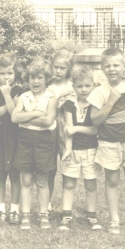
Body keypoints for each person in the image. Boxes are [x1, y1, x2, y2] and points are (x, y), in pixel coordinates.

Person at [88, 47, 125, 234]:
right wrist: (111, 101)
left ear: (124, 66)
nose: (112, 69)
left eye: (116, 65)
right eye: (107, 66)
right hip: (108, 142)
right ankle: (114, 220)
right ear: (102, 69)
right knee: (112, 181)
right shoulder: (99, 91)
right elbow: (95, 120)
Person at [11, 58, 58, 230]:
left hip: (44, 140)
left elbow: (48, 121)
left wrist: (28, 115)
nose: (35, 81)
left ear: (46, 79)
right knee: (26, 179)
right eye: (32, 77)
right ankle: (25, 215)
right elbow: (15, 118)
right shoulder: (24, 96)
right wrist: (37, 113)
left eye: (39, 77)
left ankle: (43, 214)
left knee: (42, 180)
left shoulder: (51, 98)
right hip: (25, 139)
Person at [0, 53, 27, 224]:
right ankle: (1, 210)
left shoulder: (21, 91)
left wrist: (9, 96)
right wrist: (10, 103)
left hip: (16, 137)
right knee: (0, 174)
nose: (6, 77)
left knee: (15, 175)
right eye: (2, 74)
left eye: (9, 73)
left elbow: (14, 114)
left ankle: (15, 210)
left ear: (16, 73)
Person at [59, 64, 102, 231]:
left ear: (93, 85)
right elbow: (67, 129)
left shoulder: (95, 104)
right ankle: (66, 215)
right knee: (69, 183)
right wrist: (68, 149)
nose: (84, 90)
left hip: (91, 150)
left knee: (91, 184)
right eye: (79, 86)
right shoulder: (69, 105)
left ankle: (91, 215)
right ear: (73, 86)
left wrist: (77, 129)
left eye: (87, 86)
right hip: (73, 149)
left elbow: (95, 130)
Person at [47, 50, 76, 215]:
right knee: (49, 169)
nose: (58, 71)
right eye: (55, 67)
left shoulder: (72, 87)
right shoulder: (46, 85)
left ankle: (67, 205)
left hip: (66, 131)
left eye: (62, 68)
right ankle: (47, 202)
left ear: (68, 70)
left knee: (68, 168)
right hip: (49, 131)